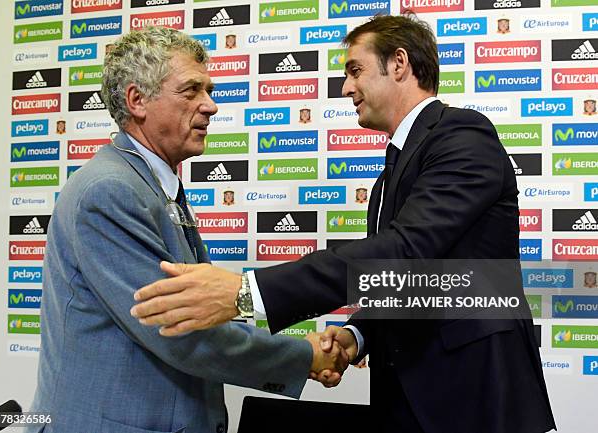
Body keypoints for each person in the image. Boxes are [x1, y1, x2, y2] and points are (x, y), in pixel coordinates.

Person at [131, 15, 555, 433]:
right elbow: (418, 281)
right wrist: (358, 335)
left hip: (475, 397)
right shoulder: (391, 174)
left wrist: (247, 293)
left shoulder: (462, 134)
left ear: (400, 64)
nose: (346, 87)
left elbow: (405, 252)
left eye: (356, 70)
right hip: (408, 397)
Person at [28, 27, 347, 433]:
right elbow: (177, 332)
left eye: (209, 89)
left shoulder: (148, 183)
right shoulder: (110, 191)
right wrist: (306, 355)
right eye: (191, 90)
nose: (210, 105)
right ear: (137, 100)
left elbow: (200, 312)